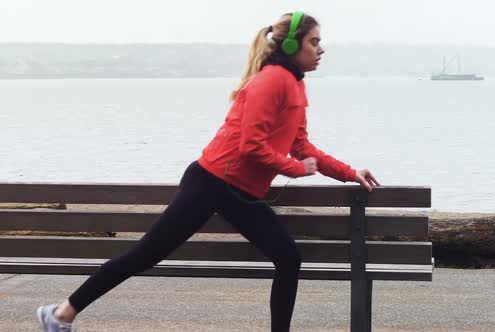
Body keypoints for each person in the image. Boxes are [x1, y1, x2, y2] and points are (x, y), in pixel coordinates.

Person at [36, 11, 380, 332]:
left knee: (288, 258)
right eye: (314, 42)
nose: (321, 49)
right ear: (292, 45)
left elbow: (302, 146)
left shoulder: (295, 85)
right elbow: (252, 146)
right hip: (211, 182)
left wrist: (350, 172)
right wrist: (294, 169)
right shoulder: (271, 81)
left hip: (240, 194)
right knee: (147, 253)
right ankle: (61, 313)